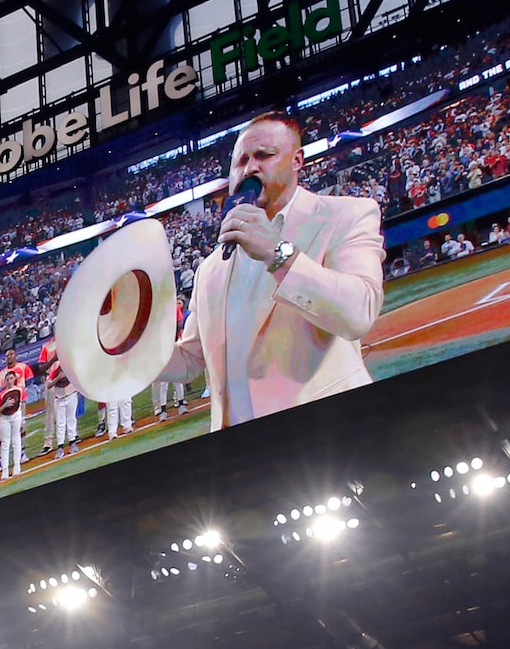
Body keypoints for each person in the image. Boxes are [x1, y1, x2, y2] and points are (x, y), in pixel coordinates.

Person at [155, 114, 384, 426]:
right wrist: (116, 357)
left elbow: (359, 313)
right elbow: (192, 359)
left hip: (332, 437)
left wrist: (278, 254)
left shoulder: (345, 215)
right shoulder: (211, 268)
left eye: (264, 155)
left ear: (297, 160)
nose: (250, 168)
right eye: (241, 161)